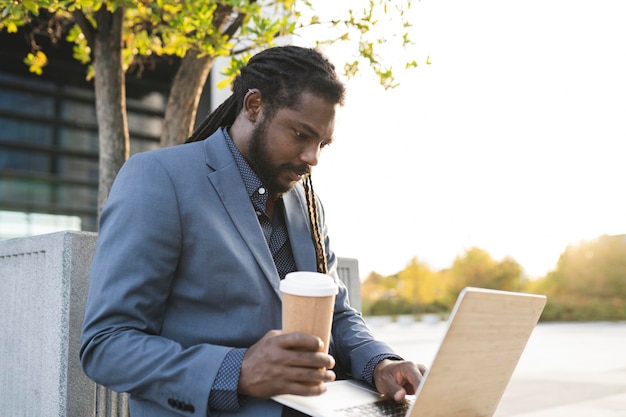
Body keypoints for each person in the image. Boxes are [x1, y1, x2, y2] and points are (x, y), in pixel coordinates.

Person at [80, 45, 426, 417]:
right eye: (300, 134)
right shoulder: (159, 178)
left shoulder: (307, 202)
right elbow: (106, 345)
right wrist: (238, 372)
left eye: (322, 144)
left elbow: (336, 314)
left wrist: (381, 364)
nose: (313, 158)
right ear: (254, 105)